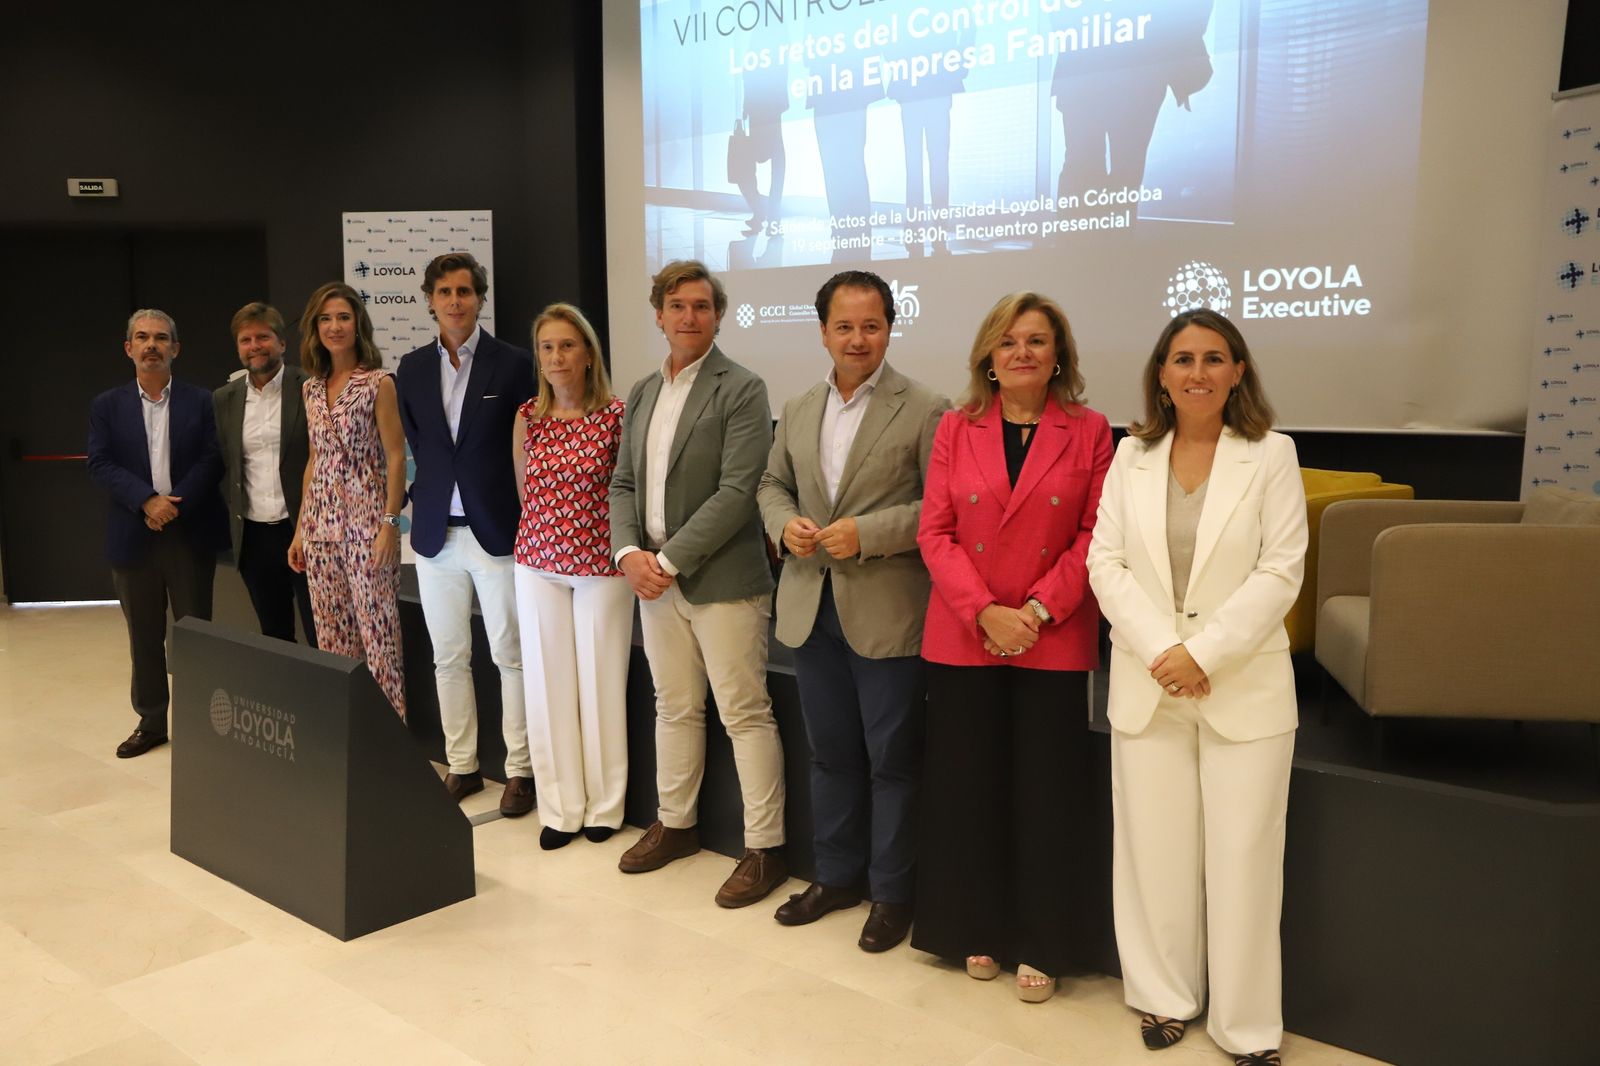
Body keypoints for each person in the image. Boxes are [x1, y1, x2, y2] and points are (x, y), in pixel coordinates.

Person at [1087, 309, 1306, 1066]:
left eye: (1215, 358)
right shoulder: (1131, 456)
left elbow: (1281, 571)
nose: (1198, 372)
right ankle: (1165, 996)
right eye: (1182, 359)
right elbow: (1104, 564)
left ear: (1238, 371)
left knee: (1244, 859)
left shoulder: (1271, 455)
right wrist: (1162, 651)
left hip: (1242, 687)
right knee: (1156, 854)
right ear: (1161, 374)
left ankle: (1247, 1030)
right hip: (1151, 685)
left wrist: (1204, 653)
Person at [912, 292, 1112, 1003]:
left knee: (1047, 795)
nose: (1022, 351)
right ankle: (978, 926)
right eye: (1008, 341)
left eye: (1036, 340)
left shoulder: (1090, 431)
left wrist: (1031, 610)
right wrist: (985, 612)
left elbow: (1097, 536)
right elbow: (934, 532)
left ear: (1059, 355)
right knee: (970, 791)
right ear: (988, 359)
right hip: (966, 637)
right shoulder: (953, 427)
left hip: (1050, 638)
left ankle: (1045, 940)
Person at [758, 270, 948, 951]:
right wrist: (784, 524)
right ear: (823, 332)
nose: (857, 338)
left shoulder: (927, 407)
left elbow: (939, 508)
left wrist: (871, 533)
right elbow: (772, 483)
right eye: (844, 326)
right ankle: (837, 877)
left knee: (893, 760)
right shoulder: (801, 404)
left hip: (888, 610)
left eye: (871, 325)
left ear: (890, 328)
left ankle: (892, 894)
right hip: (811, 605)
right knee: (830, 755)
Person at [610, 259, 788, 908]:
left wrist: (668, 561)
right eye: (679, 306)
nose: (690, 316)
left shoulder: (742, 388)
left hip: (722, 581)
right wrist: (630, 552)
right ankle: (676, 825)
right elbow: (624, 482)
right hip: (654, 579)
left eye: (703, 306)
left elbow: (740, 491)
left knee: (744, 713)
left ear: (718, 315)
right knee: (674, 706)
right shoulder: (641, 392)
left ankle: (764, 847)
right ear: (659, 314)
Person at [395, 253, 535, 813]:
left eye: (466, 291)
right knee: (448, 656)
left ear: (480, 298)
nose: (456, 301)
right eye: (445, 291)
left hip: (497, 532)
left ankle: (520, 770)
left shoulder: (515, 363)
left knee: (510, 654)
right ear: (429, 298)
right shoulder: (409, 368)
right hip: (434, 535)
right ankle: (464, 766)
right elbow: (419, 443)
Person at [512, 304, 631, 848]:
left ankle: (606, 807)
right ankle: (560, 809)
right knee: (546, 687)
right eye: (547, 347)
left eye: (566, 346)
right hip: (537, 563)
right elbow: (525, 492)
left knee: (601, 686)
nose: (556, 357)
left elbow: (625, 492)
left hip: (602, 566)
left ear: (588, 354)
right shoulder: (526, 417)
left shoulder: (617, 415)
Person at [87, 309, 228, 758]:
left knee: (195, 633)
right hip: (133, 534)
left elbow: (213, 459)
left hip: (188, 533)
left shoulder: (203, 401)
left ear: (175, 349)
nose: (152, 345)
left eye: (161, 338)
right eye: (142, 338)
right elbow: (100, 463)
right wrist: (147, 500)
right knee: (143, 635)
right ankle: (151, 722)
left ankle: (201, 722)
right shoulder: (106, 405)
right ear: (128, 348)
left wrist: (172, 505)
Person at [287, 283, 408, 717]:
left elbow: (396, 457)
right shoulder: (311, 389)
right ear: (314, 328)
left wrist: (389, 524)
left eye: (342, 317)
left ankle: (390, 744)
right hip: (320, 530)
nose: (334, 326)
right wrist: (301, 529)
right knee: (334, 642)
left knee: (379, 641)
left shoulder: (379, 383)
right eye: (325, 319)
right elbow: (315, 460)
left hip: (367, 527)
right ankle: (350, 738)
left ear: (357, 324)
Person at [213, 301, 316, 646]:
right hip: (254, 537)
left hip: (305, 529)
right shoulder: (224, 398)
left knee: (321, 635)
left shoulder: (310, 387)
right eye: (246, 340)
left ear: (282, 343)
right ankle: (289, 700)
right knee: (275, 635)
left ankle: (322, 700)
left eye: (263, 337)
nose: (254, 346)